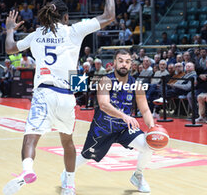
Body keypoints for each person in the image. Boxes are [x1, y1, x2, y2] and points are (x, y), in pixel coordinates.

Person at [2, 0, 115, 195]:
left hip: (44, 92)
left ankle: (27, 170)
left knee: (30, 137)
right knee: (68, 142)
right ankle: (70, 186)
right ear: (65, 17)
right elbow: (109, 16)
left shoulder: (36, 34)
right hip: (66, 97)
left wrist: (10, 30)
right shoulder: (73, 30)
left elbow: (10, 49)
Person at [64, 49, 155, 193]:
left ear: (131, 64)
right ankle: (68, 174)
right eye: (120, 61)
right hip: (103, 127)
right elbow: (104, 104)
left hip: (124, 128)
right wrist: (124, 116)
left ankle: (138, 175)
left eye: (127, 61)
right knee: (86, 156)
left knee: (149, 145)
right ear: (114, 64)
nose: (124, 64)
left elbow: (145, 110)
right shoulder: (106, 80)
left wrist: (152, 127)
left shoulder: (136, 85)